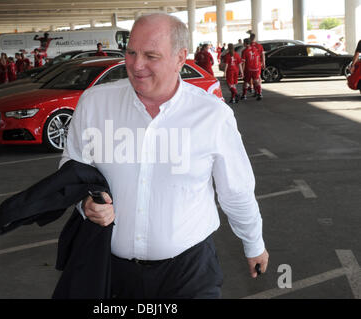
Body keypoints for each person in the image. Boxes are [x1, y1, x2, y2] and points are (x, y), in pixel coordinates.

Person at [60, 13, 268, 299]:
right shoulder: (95, 104)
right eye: (131, 52)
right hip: (111, 272)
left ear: (180, 58)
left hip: (190, 273)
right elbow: (71, 169)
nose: (136, 65)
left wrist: (253, 243)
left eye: (151, 55)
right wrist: (85, 203)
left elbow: (236, 189)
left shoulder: (212, 116)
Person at [249, 33, 265, 100]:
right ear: (255, 38)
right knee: (257, 78)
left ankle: (258, 92)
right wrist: (263, 63)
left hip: (251, 65)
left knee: (254, 79)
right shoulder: (259, 46)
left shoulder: (249, 46)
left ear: (250, 38)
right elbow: (262, 55)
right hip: (258, 64)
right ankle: (258, 91)